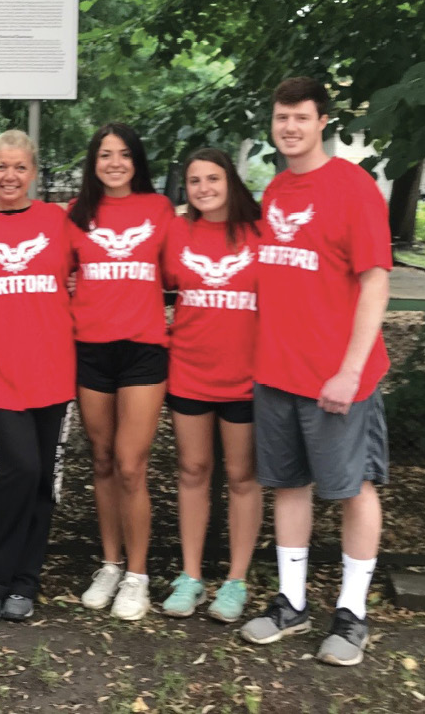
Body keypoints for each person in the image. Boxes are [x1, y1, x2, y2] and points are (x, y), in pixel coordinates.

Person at [239, 77, 391, 667]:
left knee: (353, 488)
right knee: (290, 486)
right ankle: (291, 602)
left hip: (336, 376)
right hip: (277, 372)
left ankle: (352, 613)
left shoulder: (353, 188)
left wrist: (350, 371)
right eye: (282, 117)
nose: (290, 127)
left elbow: (375, 282)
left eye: (301, 117)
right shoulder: (275, 189)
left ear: (322, 121)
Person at [0, 130, 75, 624]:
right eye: (1, 167)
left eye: (20, 167)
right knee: (21, 466)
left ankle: (26, 580)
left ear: (33, 172)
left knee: (43, 476)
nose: (10, 176)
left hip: (52, 364)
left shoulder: (59, 220)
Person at [68, 123, 174, 620]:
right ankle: (109, 565)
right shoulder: (78, 214)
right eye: (105, 154)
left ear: (137, 161)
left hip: (143, 351)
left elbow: (184, 267)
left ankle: (138, 576)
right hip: (91, 348)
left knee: (132, 465)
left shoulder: (158, 210)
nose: (114, 163)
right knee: (104, 460)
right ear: (94, 161)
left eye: (124, 155)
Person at [159, 149, 263, 622]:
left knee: (242, 477)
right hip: (189, 369)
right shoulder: (177, 231)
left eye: (213, 178)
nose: (204, 188)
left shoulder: (260, 233)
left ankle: (236, 580)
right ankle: (191, 576)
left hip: (244, 376)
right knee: (193, 471)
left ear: (231, 182)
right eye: (195, 181)